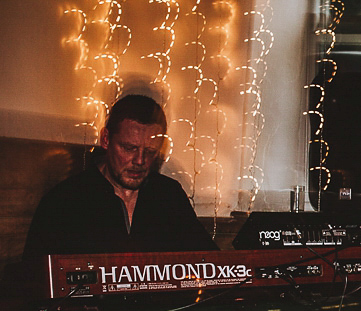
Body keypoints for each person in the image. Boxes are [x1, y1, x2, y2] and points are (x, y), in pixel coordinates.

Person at [23, 94, 216, 260]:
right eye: (129, 148)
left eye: (150, 151)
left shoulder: (168, 195)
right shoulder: (64, 201)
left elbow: (212, 260)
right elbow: (36, 282)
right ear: (106, 139)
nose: (139, 160)